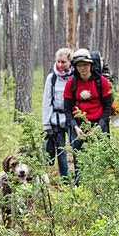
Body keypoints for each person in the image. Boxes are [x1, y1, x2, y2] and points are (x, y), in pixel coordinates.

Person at [61, 48, 113, 182]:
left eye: (85, 64)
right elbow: (67, 109)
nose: (82, 68)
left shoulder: (102, 82)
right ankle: (80, 186)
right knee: (79, 159)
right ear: (75, 67)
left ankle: (101, 185)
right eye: (79, 65)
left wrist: (99, 127)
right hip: (78, 126)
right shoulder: (70, 84)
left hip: (99, 125)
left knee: (101, 157)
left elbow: (108, 107)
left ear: (91, 65)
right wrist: (75, 127)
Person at [41, 47, 74, 179]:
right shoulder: (52, 77)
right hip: (56, 119)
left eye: (63, 62)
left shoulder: (74, 77)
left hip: (72, 119)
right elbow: (46, 101)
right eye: (58, 61)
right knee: (61, 150)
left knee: (76, 149)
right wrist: (46, 124)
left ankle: (79, 177)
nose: (60, 65)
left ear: (70, 62)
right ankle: (65, 178)